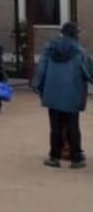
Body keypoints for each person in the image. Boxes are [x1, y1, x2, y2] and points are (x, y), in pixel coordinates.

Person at [31, 22, 93, 169]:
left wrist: (37, 86)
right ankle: (76, 159)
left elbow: (41, 70)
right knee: (73, 126)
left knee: (55, 127)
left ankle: (54, 157)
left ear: (62, 33)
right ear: (75, 34)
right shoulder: (80, 51)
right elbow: (88, 72)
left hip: (52, 95)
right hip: (73, 96)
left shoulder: (49, 48)